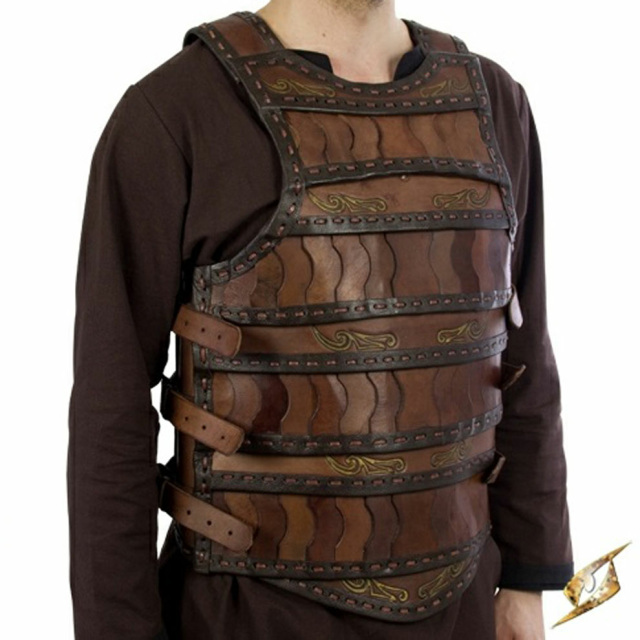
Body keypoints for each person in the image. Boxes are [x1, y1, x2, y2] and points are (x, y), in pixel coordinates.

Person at [66, 1, 574, 639]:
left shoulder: (496, 103)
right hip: (247, 615)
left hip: (462, 606)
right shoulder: (178, 110)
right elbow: (109, 410)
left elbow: (525, 358)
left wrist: (527, 579)